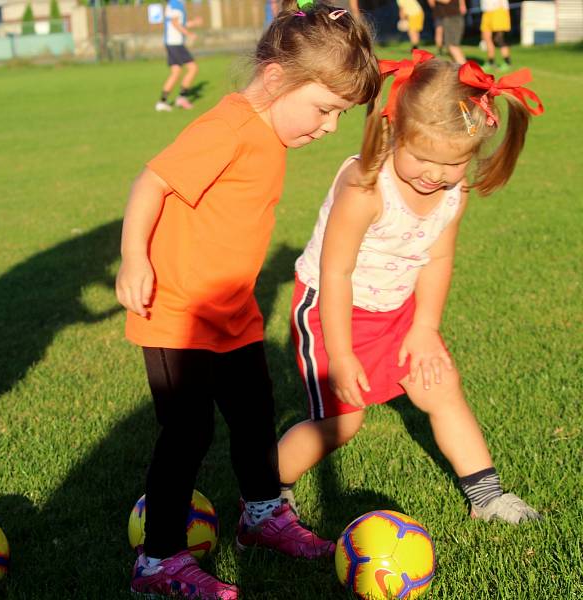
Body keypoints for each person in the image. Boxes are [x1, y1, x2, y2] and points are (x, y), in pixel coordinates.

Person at [116, 3, 380, 598]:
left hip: (233, 312)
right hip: (179, 310)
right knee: (187, 433)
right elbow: (152, 181)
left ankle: (262, 516)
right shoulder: (229, 128)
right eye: (325, 109)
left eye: (338, 114)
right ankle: (157, 561)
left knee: (255, 415)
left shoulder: (266, 132)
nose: (329, 127)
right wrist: (134, 257)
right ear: (276, 79)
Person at [277, 49, 544, 528]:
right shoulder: (364, 190)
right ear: (394, 129)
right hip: (332, 308)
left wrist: (425, 328)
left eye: (453, 163)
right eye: (421, 157)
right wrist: (340, 355)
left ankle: (487, 496)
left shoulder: (453, 194)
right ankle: (266, 492)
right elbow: (336, 273)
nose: (434, 175)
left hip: (398, 308)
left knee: (441, 388)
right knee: (342, 420)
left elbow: (438, 259)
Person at [155, 0, 202, 112]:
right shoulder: (176, 4)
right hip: (175, 43)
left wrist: (193, 23)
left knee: (176, 72)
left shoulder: (173, 4)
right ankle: (182, 97)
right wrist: (189, 34)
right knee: (193, 68)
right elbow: (175, 23)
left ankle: (162, 102)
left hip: (171, 43)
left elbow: (179, 23)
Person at [480, 0, 512, 71]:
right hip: (486, 11)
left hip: (498, 11)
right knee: (486, 38)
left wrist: (507, 14)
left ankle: (507, 62)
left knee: (498, 39)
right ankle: (490, 62)